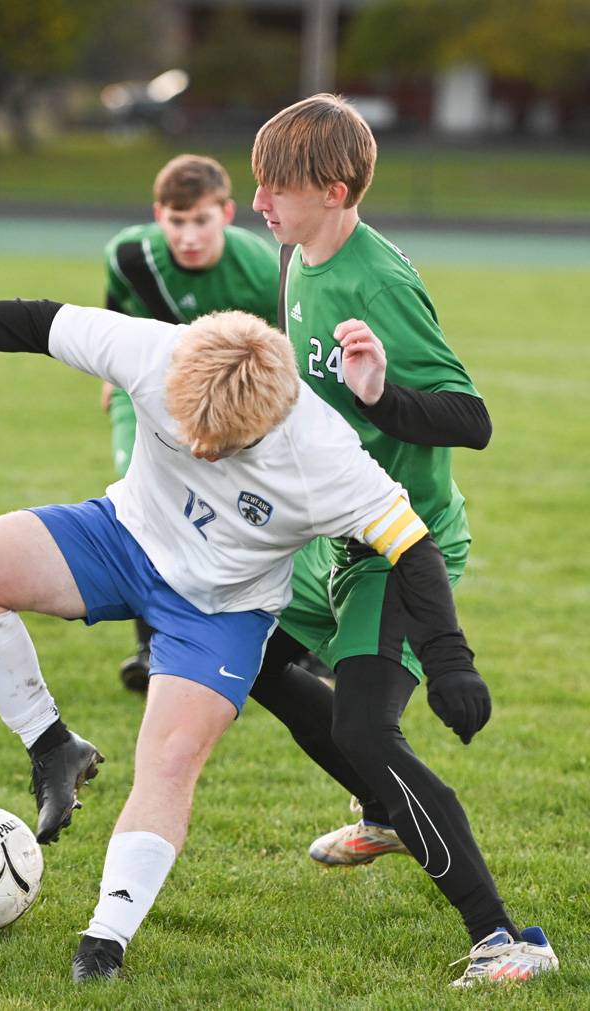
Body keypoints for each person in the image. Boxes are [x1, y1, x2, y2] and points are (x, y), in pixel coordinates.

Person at [0, 297, 487, 985]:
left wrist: (450, 662)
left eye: (223, 445)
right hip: (121, 536)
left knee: (170, 759)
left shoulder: (322, 450)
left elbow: (413, 547)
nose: (202, 450)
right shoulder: (150, 348)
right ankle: (52, 744)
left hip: (218, 608)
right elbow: (32, 322)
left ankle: (105, 939)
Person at [248, 93, 558, 987]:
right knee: (257, 654)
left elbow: (472, 419)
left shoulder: (377, 281)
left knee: (366, 725)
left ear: (336, 190)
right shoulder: (299, 254)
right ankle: (384, 813)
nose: (260, 202)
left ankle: (508, 939)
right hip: (330, 540)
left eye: (279, 186)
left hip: (398, 544)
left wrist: (383, 396)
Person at [102, 153, 285, 692]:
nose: (188, 234)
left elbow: (282, 355)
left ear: (226, 213)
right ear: (158, 214)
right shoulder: (129, 254)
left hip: (233, 406)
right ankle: (149, 647)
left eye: (200, 220)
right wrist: (110, 380)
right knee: (141, 507)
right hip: (148, 399)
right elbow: (115, 318)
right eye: (176, 221)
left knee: (262, 514)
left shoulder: (262, 267)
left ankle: (292, 648)